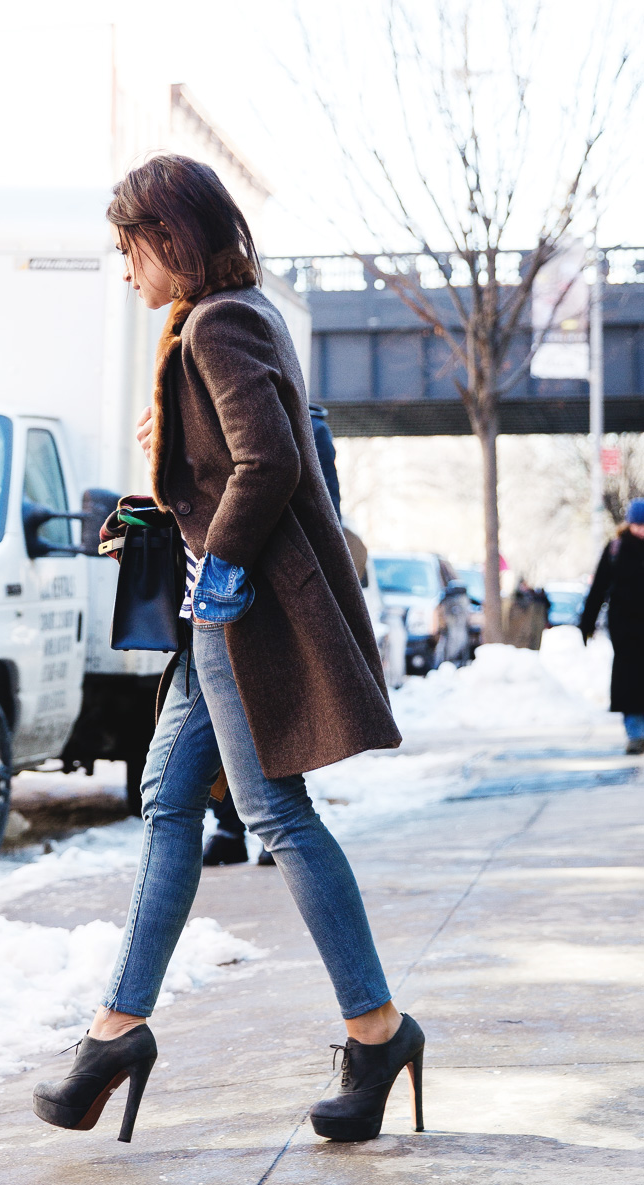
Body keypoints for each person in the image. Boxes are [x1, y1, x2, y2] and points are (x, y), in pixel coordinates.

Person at [32, 155, 424, 1145]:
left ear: (169, 238)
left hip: (233, 607)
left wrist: (225, 567)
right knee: (168, 803)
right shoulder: (221, 320)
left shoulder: (220, 320)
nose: (125, 270)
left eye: (129, 248)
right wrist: (169, 455)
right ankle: (116, 1030)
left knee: (274, 815)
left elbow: (272, 459)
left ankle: (375, 1029)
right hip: (221, 602)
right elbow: (241, 452)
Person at [204, 401, 343, 867]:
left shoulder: (308, 425)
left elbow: (325, 517)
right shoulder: (205, 415)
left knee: (275, 716)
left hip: (276, 596)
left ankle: (261, 829)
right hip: (218, 596)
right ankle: (228, 826)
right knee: (223, 732)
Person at [581, 498, 644, 755]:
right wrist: (586, 622)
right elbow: (598, 589)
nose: (641, 529)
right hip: (625, 628)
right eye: (637, 524)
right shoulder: (616, 549)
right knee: (630, 681)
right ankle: (636, 734)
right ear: (628, 523)